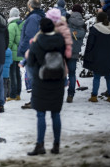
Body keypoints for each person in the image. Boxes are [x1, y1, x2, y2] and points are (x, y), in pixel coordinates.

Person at [26, 18, 66, 156]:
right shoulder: (60, 40)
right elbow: (65, 57)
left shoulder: (38, 43)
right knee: (56, 113)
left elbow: (30, 61)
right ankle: (56, 145)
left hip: (41, 81)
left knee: (41, 113)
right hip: (58, 79)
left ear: (41, 28)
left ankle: (40, 145)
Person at [83, 12, 110, 103]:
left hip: (97, 57)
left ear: (98, 19)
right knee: (109, 76)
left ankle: (94, 96)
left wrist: (88, 54)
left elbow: (90, 44)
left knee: (96, 77)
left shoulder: (94, 29)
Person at [17, 0, 45, 109]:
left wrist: (23, 51)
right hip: (38, 50)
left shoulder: (33, 18)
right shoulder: (40, 16)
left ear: (30, 5)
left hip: (32, 52)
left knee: (33, 77)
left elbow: (30, 37)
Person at [66, 4, 87, 103]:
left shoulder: (67, 20)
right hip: (75, 52)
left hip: (65, 50)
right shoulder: (83, 24)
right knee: (72, 73)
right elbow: (81, 35)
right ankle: (70, 94)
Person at [7, 8, 24, 101]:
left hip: (12, 53)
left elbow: (9, 41)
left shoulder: (12, 25)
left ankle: (12, 94)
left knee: (12, 73)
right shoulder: (21, 24)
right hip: (19, 51)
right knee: (17, 73)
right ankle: (18, 93)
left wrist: (6, 50)